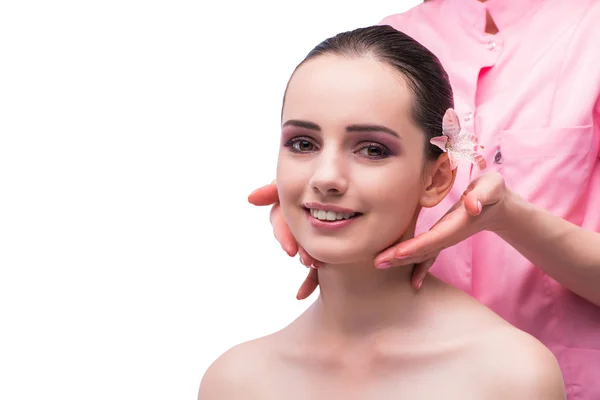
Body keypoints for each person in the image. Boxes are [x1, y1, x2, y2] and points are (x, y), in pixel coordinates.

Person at [247, 1, 600, 398]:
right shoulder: (392, 38)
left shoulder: (589, 34)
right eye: (302, 143)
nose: (328, 174)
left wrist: (509, 217)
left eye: (372, 150)